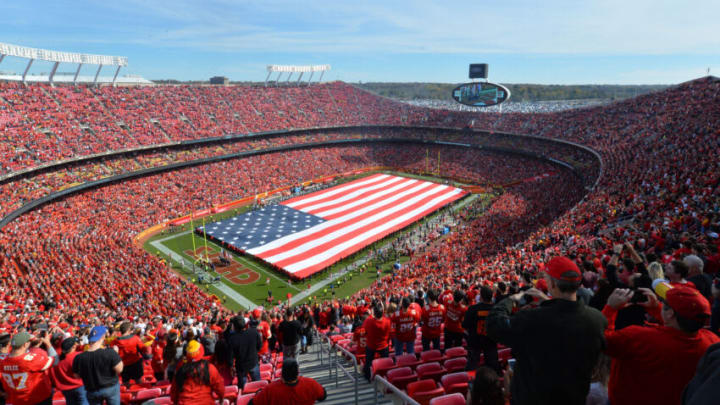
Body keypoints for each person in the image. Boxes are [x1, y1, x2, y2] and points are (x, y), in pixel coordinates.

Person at [486, 256, 607, 405]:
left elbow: (493, 325)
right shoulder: (597, 319)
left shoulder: (532, 319)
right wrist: (549, 302)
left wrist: (511, 299)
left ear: (553, 284)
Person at [602, 285, 720, 405]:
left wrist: (611, 308)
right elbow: (678, 329)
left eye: (664, 303)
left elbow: (601, 340)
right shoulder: (712, 342)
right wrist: (657, 309)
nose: (662, 304)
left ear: (670, 314)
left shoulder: (637, 337)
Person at [0, 331, 55, 405]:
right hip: (37, 399)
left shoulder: (2, 361)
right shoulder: (30, 360)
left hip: (17, 400)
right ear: (25, 344)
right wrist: (48, 344)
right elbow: (55, 360)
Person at [72, 326, 123, 405]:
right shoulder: (110, 353)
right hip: (110, 387)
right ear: (103, 337)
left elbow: (76, 376)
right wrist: (116, 354)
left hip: (92, 390)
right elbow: (119, 369)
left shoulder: (79, 357)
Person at [250, 358, 326, 405]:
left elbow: (253, 403)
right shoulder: (310, 384)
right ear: (297, 372)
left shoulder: (270, 390)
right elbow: (323, 396)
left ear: (282, 374)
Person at [170, 340, 224, 405]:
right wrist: (221, 398)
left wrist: (176, 402)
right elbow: (219, 386)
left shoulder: (180, 370)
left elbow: (174, 392)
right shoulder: (209, 368)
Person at [463, 286, 499, 372]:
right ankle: (492, 382)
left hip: (475, 341)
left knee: (472, 365)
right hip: (490, 340)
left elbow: (465, 325)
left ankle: (471, 383)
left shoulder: (473, 309)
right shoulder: (496, 309)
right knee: (492, 365)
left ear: (481, 297)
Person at [50, 337, 87, 405]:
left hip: (65, 389)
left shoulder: (57, 359)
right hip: (80, 387)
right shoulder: (78, 356)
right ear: (73, 346)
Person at [228, 316, 261, 389]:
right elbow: (259, 346)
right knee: (258, 385)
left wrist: (231, 366)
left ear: (235, 326)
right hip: (253, 362)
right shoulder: (254, 332)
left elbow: (230, 356)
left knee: (244, 388)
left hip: (241, 367)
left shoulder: (232, 339)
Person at [361, 303, 391, 381]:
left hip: (372, 345)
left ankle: (368, 377)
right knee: (386, 363)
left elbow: (363, 331)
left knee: (368, 362)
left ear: (374, 313)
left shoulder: (368, 321)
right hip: (383, 345)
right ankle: (386, 377)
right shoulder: (387, 321)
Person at [111, 321, 145, 388]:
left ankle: (129, 393)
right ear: (128, 330)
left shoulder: (114, 342)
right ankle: (141, 393)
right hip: (135, 363)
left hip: (123, 365)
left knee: (126, 382)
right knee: (138, 380)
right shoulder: (135, 338)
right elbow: (143, 350)